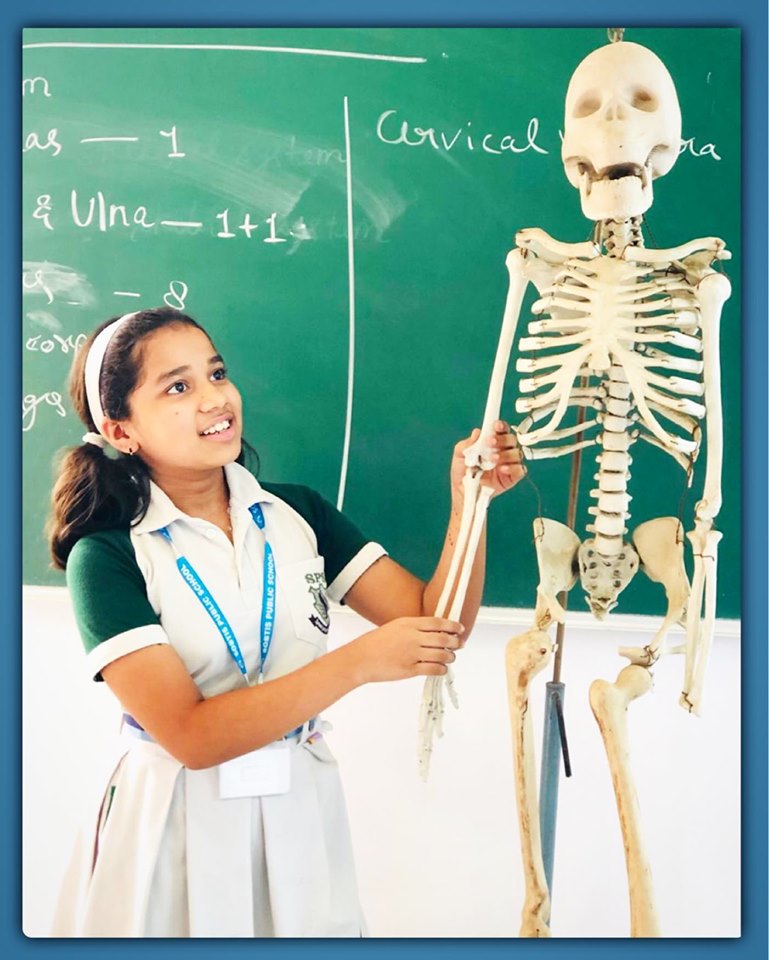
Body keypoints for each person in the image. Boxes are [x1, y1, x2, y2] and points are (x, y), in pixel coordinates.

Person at [47, 306, 524, 937]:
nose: (215, 398)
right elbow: (191, 737)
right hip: (175, 822)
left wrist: (471, 503)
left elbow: (437, 626)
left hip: (299, 805)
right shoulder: (106, 556)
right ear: (121, 429)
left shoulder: (297, 513)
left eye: (217, 374)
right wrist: (357, 663)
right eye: (178, 387)